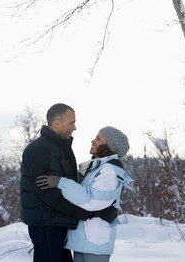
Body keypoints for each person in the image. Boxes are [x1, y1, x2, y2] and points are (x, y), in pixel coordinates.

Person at [20, 104, 117, 262]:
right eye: (71, 123)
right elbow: (48, 193)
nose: (75, 127)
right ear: (57, 123)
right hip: (47, 226)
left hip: (56, 224)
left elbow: (70, 185)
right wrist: (88, 213)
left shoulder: (58, 147)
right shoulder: (43, 149)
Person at [36, 126, 132, 262]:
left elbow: (91, 201)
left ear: (109, 146)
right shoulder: (95, 170)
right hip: (83, 241)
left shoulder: (110, 171)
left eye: (98, 139)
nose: (93, 141)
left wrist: (60, 182)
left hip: (95, 242)